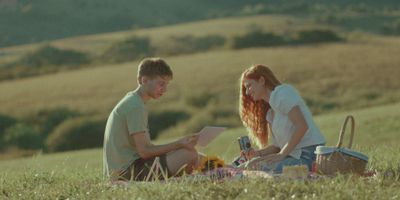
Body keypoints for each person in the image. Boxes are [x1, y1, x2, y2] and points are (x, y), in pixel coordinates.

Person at [103, 57, 199, 182]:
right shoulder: (135, 107)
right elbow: (144, 152)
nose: (164, 89)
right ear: (144, 80)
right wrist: (178, 144)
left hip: (131, 168)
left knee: (194, 155)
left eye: (166, 84)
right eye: (161, 83)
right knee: (189, 155)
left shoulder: (133, 101)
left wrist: (179, 146)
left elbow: (146, 149)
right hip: (126, 174)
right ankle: (215, 174)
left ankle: (222, 168)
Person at [238, 64, 325, 173]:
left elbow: (302, 126)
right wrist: (257, 154)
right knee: (248, 166)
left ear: (261, 80)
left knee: (261, 171)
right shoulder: (270, 113)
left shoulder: (282, 93)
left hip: (309, 156)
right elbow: (277, 146)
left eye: (249, 86)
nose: (247, 92)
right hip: (292, 157)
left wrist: (282, 154)